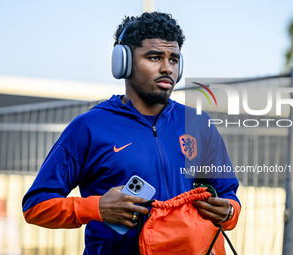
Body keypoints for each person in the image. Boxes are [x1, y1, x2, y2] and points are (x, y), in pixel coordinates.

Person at [22, 12, 241, 254]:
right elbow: (36, 206)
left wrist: (230, 211)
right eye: (155, 57)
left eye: (174, 59)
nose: (167, 68)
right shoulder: (89, 127)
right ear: (124, 62)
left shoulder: (198, 123)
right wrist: (96, 208)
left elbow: (228, 192)